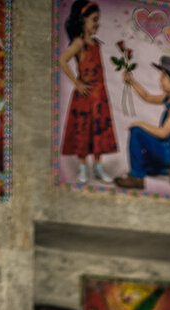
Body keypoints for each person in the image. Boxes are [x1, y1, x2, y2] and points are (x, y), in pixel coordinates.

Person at [60, 0, 117, 186]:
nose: (97, 23)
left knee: (99, 130)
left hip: (99, 97)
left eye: (98, 20)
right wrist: (76, 83)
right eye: (94, 19)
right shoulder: (79, 43)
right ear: (82, 20)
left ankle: (98, 167)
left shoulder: (96, 43)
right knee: (84, 130)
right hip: (85, 98)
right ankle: (83, 166)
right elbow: (62, 60)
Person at [114, 55, 170, 190]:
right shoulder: (169, 99)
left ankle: (136, 178)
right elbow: (147, 97)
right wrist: (131, 82)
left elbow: (163, 133)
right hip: (166, 147)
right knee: (143, 164)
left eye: (163, 77)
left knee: (137, 132)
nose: (159, 80)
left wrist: (140, 124)